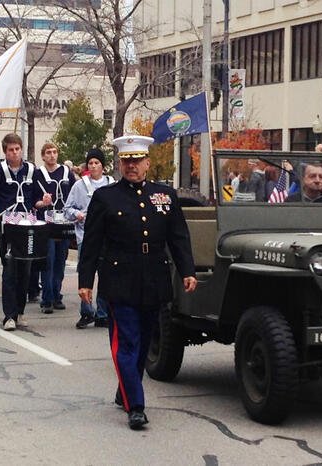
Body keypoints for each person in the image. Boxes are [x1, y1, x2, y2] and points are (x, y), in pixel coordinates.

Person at [78, 135, 197, 430]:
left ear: (147, 162)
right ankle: (137, 405)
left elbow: (178, 237)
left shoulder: (164, 195)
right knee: (127, 342)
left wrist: (187, 271)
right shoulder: (106, 197)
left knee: (144, 342)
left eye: (137, 161)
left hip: (154, 275)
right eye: (126, 161)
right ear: (120, 163)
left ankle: (125, 388)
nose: (131, 166)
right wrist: (85, 281)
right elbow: (92, 243)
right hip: (119, 277)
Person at [0, 133, 35, 331]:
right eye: (11, 150)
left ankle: (20, 312)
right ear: (5, 152)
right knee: (10, 269)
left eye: (17, 149)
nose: (15, 153)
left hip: (26, 224)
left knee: (25, 270)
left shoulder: (31, 170)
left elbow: (34, 199)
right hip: (6, 226)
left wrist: (43, 202)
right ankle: (8, 316)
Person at [64, 148, 115, 329]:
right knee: (86, 273)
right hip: (85, 236)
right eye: (91, 163)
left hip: (107, 237)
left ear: (103, 166)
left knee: (106, 274)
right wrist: (78, 214)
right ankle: (86, 311)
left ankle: (102, 313)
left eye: (97, 163)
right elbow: (67, 209)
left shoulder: (111, 184)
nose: (93, 166)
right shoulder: (79, 186)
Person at [32, 142, 76, 314]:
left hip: (63, 221)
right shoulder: (38, 174)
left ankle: (57, 295)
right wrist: (43, 203)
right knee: (48, 261)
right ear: (43, 156)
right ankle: (47, 299)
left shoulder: (67, 173)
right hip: (46, 222)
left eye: (54, 152)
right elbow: (33, 200)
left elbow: (74, 194)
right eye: (48, 152)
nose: (52, 155)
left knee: (60, 260)